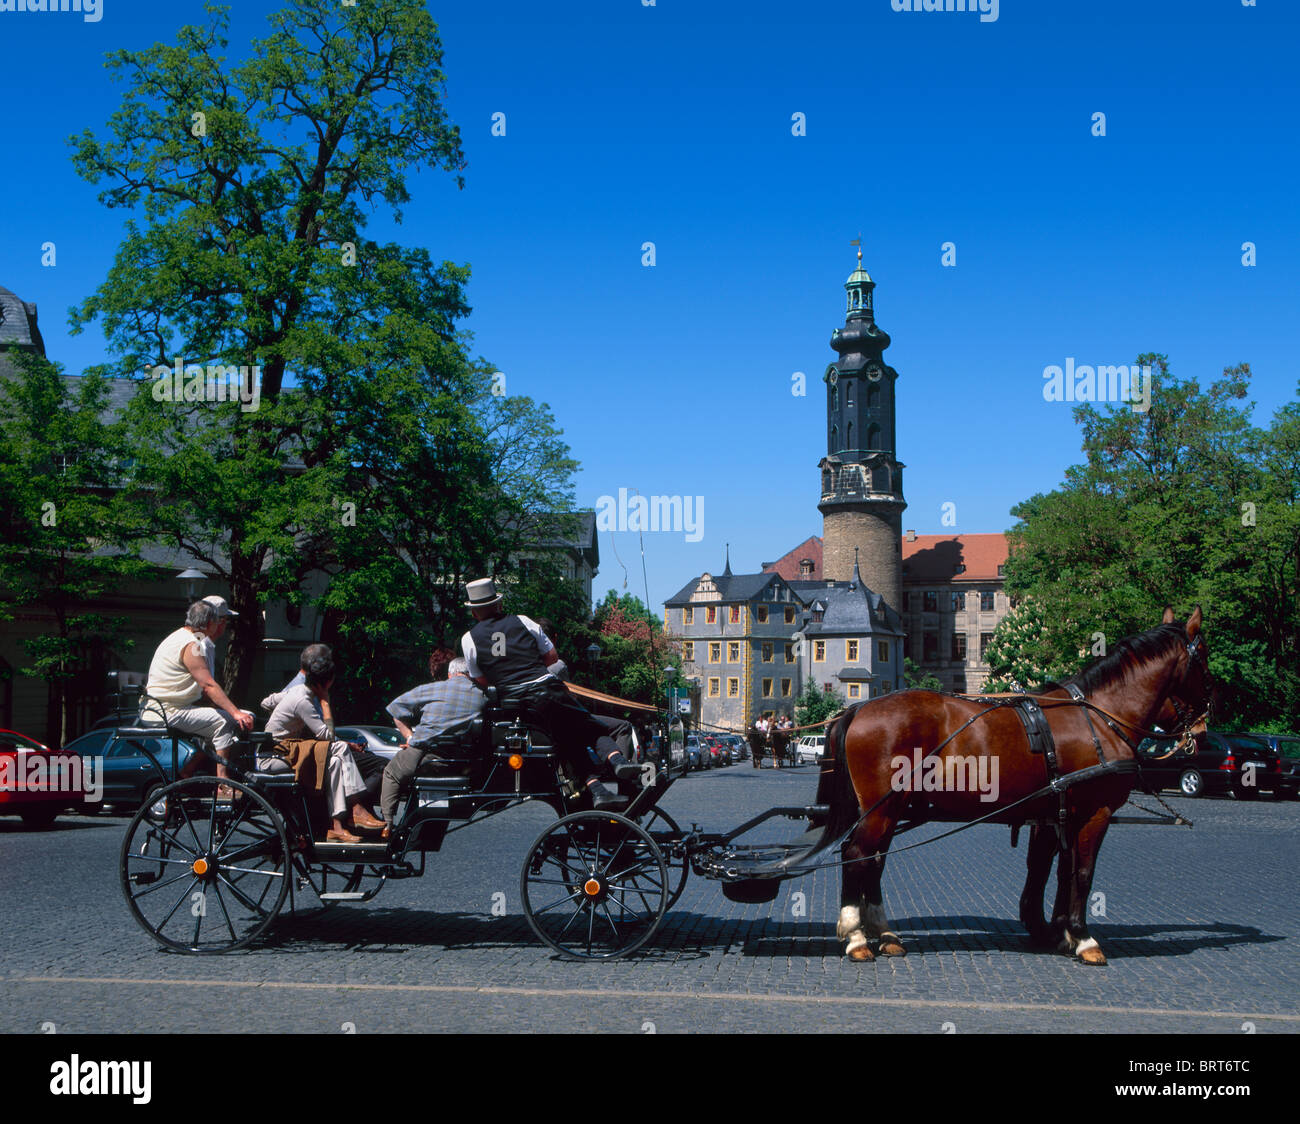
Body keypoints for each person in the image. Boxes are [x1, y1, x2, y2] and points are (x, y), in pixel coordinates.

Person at [459, 578, 637, 809]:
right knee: (589, 726)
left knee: (566, 738)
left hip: (516, 706)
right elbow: (552, 656)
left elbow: (479, 678)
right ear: (499, 605)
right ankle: (617, 760)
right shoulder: (522, 621)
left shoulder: (468, 638)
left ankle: (597, 789)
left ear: (474, 613)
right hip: (546, 689)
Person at [260, 646, 386, 843]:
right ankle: (356, 807)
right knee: (341, 748)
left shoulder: (296, 691)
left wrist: (282, 712)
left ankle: (336, 826)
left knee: (336, 761)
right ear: (328, 682)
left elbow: (266, 702)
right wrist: (325, 702)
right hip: (277, 753)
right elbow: (327, 736)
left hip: (288, 748)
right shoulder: (303, 700)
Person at [140, 596, 253, 784]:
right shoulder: (192, 644)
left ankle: (187, 771)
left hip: (160, 708)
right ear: (210, 623)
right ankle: (223, 784)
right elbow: (208, 685)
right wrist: (235, 713)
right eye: (219, 622)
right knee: (224, 722)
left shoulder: (184, 636)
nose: (220, 627)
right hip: (167, 711)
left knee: (227, 721)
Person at [379, 656, 486, 825]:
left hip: (423, 754)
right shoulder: (482, 696)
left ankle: (386, 822)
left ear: (451, 674)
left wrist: (410, 737)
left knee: (391, 773)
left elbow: (395, 709)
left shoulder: (433, 689)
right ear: (471, 674)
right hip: (458, 762)